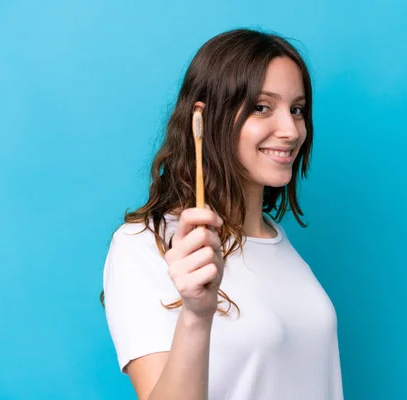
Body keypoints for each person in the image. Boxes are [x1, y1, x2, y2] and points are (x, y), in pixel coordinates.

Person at [102, 28, 344, 400]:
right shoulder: (144, 246)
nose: (291, 130)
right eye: (262, 107)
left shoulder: (279, 244)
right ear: (207, 117)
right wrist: (198, 315)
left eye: (296, 109)